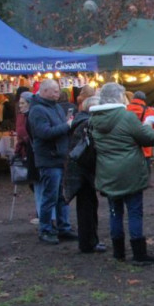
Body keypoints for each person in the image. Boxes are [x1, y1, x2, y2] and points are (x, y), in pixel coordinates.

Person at [90, 83, 154, 264]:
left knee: (115, 212)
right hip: (130, 171)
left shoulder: (94, 119)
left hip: (107, 171)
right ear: (120, 97)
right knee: (134, 212)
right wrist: (146, 124)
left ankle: (118, 252)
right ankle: (138, 253)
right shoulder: (127, 117)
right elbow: (149, 138)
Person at [28, 78, 76, 245]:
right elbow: (44, 133)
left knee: (62, 196)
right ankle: (46, 229)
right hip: (49, 159)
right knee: (50, 196)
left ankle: (63, 227)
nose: (58, 93)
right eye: (55, 90)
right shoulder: (37, 111)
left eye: (58, 90)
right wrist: (68, 126)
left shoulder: (55, 107)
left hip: (60, 158)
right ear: (45, 91)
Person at [65, 95, 106, 255]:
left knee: (86, 206)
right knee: (87, 208)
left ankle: (89, 241)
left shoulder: (79, 121)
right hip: (84, 172)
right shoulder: (86, 124)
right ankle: (88, 243)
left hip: (78, 171)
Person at [127, 91, 154, 160]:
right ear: (144, 99)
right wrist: (153, 112)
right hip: (144, 149)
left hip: (128, 147)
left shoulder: (125, 109)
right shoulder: (149, 110)